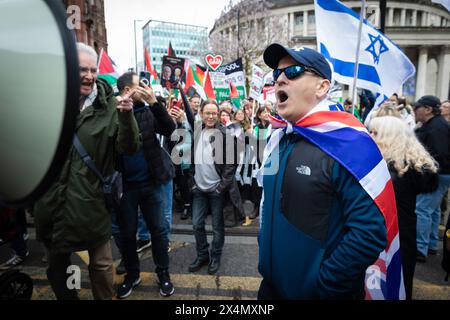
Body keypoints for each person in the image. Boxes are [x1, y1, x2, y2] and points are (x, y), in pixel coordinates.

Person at [258, 43, 389, 299]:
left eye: (293, 71)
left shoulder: (350, 143)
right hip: (271, 287)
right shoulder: (279, 139)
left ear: (322, 87)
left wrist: (325, 286)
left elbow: (369, 233)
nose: (280, 78)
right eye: (277, 74)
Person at [33, 43, 140, 300]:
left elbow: (128, 147)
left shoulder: (110, 107)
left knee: (102, 267)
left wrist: (126, 118)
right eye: (82, 69)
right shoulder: (45, 102)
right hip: (52, 204)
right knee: (58, 268)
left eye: (93, 70)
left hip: (91, 203)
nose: (89, 75)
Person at [114, 72, 176, 299]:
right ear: (125, 91)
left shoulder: (149, 111)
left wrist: (154, 102)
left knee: (159, 231)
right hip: (125, 187)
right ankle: (132, 275)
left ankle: (164, 274)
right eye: (139, 85)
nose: (144, 87)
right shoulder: (113, 113)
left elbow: (171, 130)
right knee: (128, 234)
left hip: (151, 183)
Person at [368, 116, 439, 300]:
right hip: (401, 231)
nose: (369, 135)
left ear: (389, 137)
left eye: (374, 132)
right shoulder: (407, 166)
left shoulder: (389, 168)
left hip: (391, 232)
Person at [188, 99, 237, 275]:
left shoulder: (226, 135)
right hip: (199, 189)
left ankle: (215, 256)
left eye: (214, 113)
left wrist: (220, 187)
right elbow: (192, 159)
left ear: (218, 115)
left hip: (217, 190)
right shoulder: (197, 131)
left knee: (217, 227)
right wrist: (193, 182)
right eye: (207, 113)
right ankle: (202, 255)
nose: (210, 116)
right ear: (201, 113)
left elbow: (231, 165)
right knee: (196, 225)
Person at [413, 95, 450, 262]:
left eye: (417, 108)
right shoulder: (436, 124)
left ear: (427, 109)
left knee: (422, 209)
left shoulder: (436, 127)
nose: (414, 111)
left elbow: (439, 154)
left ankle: (420, 249)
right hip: (442, 173)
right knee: (432, 210)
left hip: (437, 174)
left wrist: (428, 174)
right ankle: (431, 245)